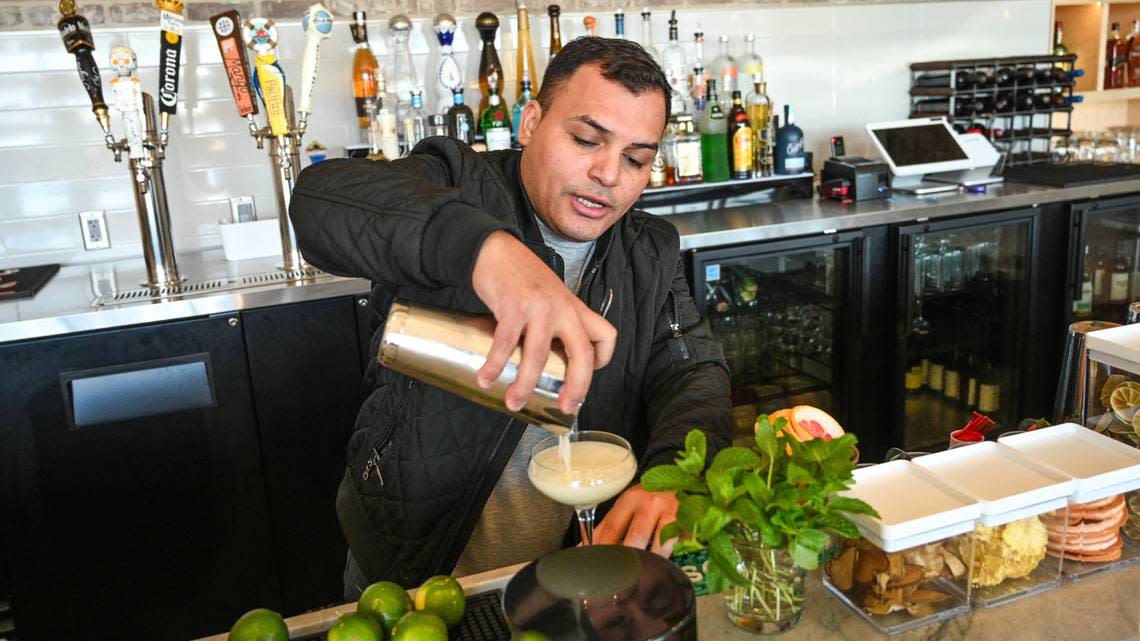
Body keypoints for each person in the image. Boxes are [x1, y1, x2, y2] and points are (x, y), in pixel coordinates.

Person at [290, 36, 732, 599]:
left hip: (565, 576)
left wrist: (674, 475)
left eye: (635, 158)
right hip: (410, 573)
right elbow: (319, 203)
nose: (608, 173)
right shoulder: (456, 181)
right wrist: (486, 253)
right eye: (585, 139)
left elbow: (692, 372)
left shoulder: (649, 249)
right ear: (530, 123)